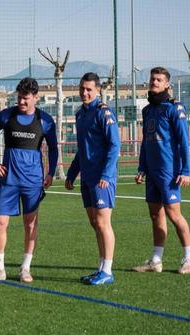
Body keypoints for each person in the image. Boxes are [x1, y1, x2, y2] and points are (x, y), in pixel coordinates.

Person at [0, 77, 58, 283]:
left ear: (36, 98)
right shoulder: (6, 116)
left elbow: (54, 149)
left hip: (33, 181)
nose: (21, 102)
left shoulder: (45, 120)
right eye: (19, 98)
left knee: (30, 225)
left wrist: (50, 173)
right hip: (9, 179)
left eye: (26, 99)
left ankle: (25, 268)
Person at [133, 67, 190, 274]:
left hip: (169, 171)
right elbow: (146, 142)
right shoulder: (148, 110)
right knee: (155, 214)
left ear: (167, 84)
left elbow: (184, 142)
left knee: (174, 214)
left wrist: (185, 170)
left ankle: (189, 259)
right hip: (151, 171)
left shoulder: (174, 108)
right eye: (152, 79)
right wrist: (142, 167)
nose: (154, 82)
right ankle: (156, 261)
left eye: (159, 79)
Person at [65, 72, 121, 285]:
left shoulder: (104, 113)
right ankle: (101, 268)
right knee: (95, 223)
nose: (85, 93)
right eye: (82, 89)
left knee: (103, 223)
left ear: (97, 90)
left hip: (101, 179)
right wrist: (72, 174)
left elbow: (115, 144)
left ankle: (107, 271)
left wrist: (106, 174)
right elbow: (82, 149)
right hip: (86, 178)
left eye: (89, 89)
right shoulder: (80, 115)